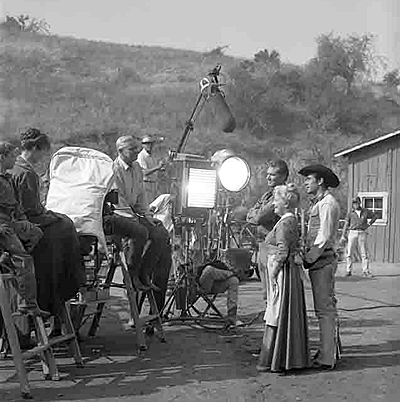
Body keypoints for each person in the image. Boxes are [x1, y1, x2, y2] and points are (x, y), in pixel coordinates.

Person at [9, 128, 85, 318]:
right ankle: (64, 287)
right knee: (65, 228)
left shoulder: (15, 167)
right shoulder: (26, 174)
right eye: (43, 152)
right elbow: (32, 212)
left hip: (19, 222)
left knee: (63, 224)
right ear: (35, 148)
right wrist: (53, 217)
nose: (43, 157)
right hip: (25, 226)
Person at [112, 135, 172, 311]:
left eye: (137, 148)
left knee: (161, 233)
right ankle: (133, 273)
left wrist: (147, 216)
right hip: (120, 214)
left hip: (135, 213)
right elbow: (119, 201)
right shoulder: (114, 170)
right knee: (140, 232)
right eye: (132, 149)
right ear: (120, 151)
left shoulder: (137, 167)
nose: (136, 152)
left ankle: (144, 273)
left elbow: (140, 196)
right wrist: (137, 218)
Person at [256, 184, 309, 372]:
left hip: (283, 275)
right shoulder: (288, 220)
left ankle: (276, 358)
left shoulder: (286, 222)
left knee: (277, 312)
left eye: (276, 201)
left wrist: (273, 270)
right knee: (280, 313)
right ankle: (281, 356)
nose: (273, 205)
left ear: (285, 203)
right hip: (286, 273)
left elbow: (283, 250)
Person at [299, 164, 341, 370]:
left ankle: (327, 356)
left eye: (309, 179)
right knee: (325, 308)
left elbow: (323, 237)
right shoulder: (319, 203)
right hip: (319, 260)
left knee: (324, 309)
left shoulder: (327, 204)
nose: (306, 183)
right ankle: (329, 350)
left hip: (322, 260)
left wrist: (308, 258)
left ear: (320, 181)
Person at [0, 141, 49, 318]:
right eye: (12, 155)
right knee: (24, 259)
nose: (15, 158)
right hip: (3, 226)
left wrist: (25, 221)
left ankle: (8, 259)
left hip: (12, 222)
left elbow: (16, 206)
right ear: (2, 157)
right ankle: (28, 304)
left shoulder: (7, 178)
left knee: (36, 233)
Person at [247, 159, 289, 301]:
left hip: (274, 247)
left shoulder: (281, 196)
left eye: (273, 174)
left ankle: (275, 321)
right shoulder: (267, 195)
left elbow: (258, 217)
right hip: (263, 246)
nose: (268, 177)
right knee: (266, 290)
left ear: (283, 176)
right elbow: (250, 214)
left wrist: (255, 215)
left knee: (273, 290)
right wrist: (254, 215)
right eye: (267, 174)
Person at [197, 253, 241, 326]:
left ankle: (232, 315)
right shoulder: (191, 250)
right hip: (200, 283)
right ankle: (232, 273)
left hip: (214, 282)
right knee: (209, 269)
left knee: (234, 280)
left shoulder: (212, 251)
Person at [340, 197, 377, 277]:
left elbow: (374, 216)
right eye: (353, 203)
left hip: (362, 232)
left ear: (359, 202)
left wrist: (368, 224)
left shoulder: (365, 211)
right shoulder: (350, 213)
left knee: (364, 253)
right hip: (352, 232)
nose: (355, 204)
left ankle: (365, 271)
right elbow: (346, 224)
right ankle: (348, 270)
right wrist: (343, 235)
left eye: (356, 202)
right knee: (349, 252)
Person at [136, 135, 165, 204]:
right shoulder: (141, 156)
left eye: (151, 143)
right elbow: (144, 172)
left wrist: (161, 168)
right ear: (143, 145)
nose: (149, 145)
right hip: (146, 184)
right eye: (147, 144)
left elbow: (153, 169)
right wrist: (158, 167)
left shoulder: (152, 156)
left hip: (153, 184)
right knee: (147, 206)